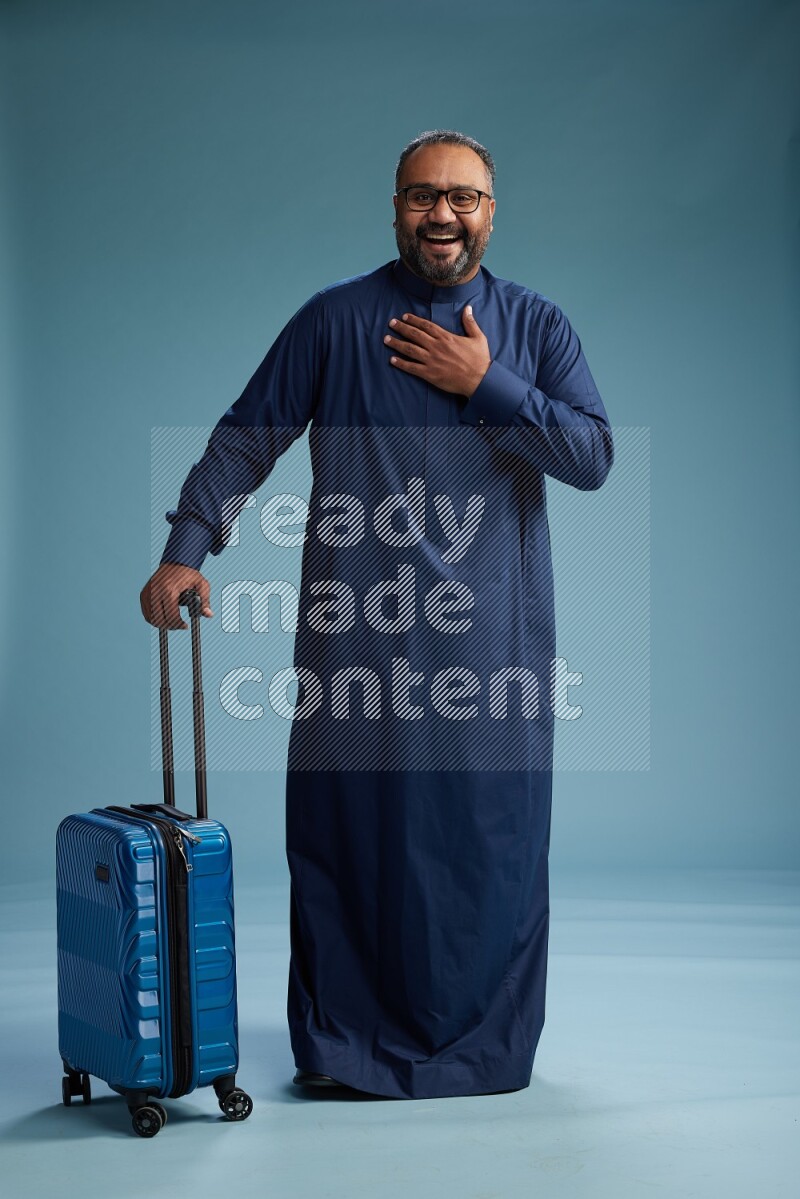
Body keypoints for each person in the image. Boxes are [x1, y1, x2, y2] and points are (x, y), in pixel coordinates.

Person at [140, 130, 614, 1100]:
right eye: (420, 196)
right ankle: (345, 1047)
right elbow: (245, 437)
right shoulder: (332, 321)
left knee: (485, 846)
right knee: (351, 838)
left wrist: (482, 382)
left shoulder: (535, 325)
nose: (440, 214)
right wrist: (184, 549)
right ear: (393, 205)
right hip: (354, 642)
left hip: (491, 648)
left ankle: (479, 1051)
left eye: (462, 197)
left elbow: (592, 456)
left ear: (490, 210)